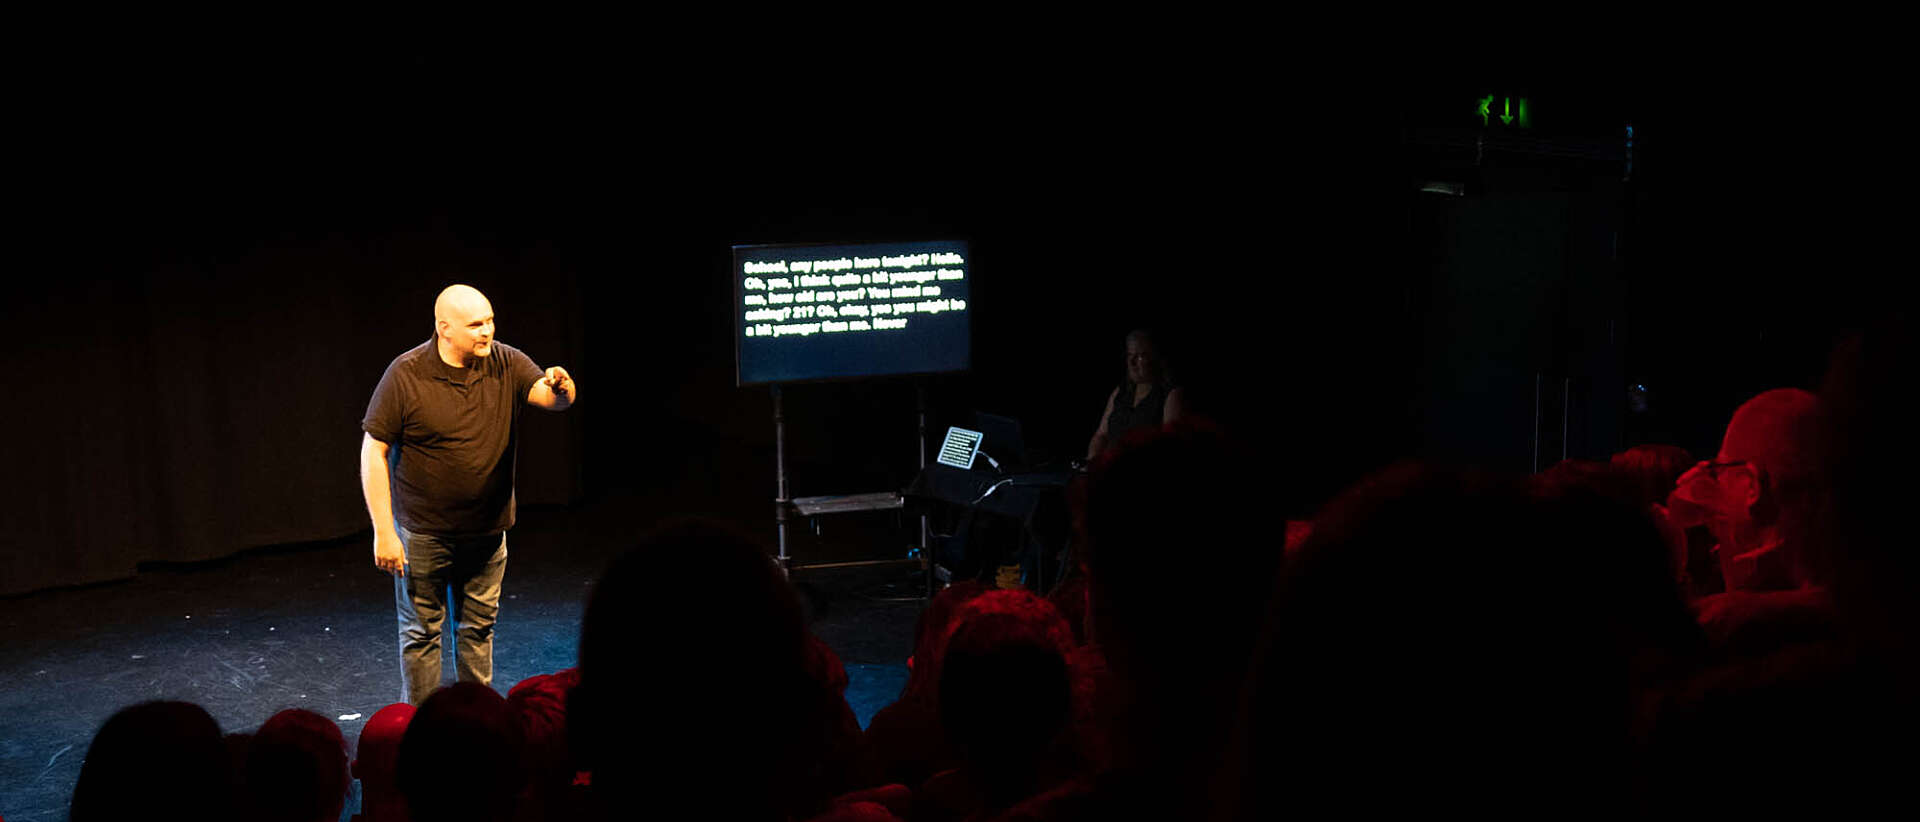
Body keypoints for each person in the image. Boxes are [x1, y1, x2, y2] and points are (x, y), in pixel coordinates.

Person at [360, 284, 578, 705]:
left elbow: (552, 399)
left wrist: (563, 388)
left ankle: (477, 725)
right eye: (475, 324)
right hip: (425, 535)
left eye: (490, 320)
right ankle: (423, 729)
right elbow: (374, 449)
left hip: (487, 533)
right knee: (422, 634)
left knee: (477, 630)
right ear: (444, 328)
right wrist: (384, 531)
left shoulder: (506, 362)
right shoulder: (406, 374)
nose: (487, 331)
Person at [1083, 329, 1185, 460]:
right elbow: (1101, 435)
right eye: (1129, 355)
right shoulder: (1122, 391)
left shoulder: (1170, 394)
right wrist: (1092, 462)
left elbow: (1171, 448)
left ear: (1156, 357)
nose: (1132, 363)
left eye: (1140, 356)